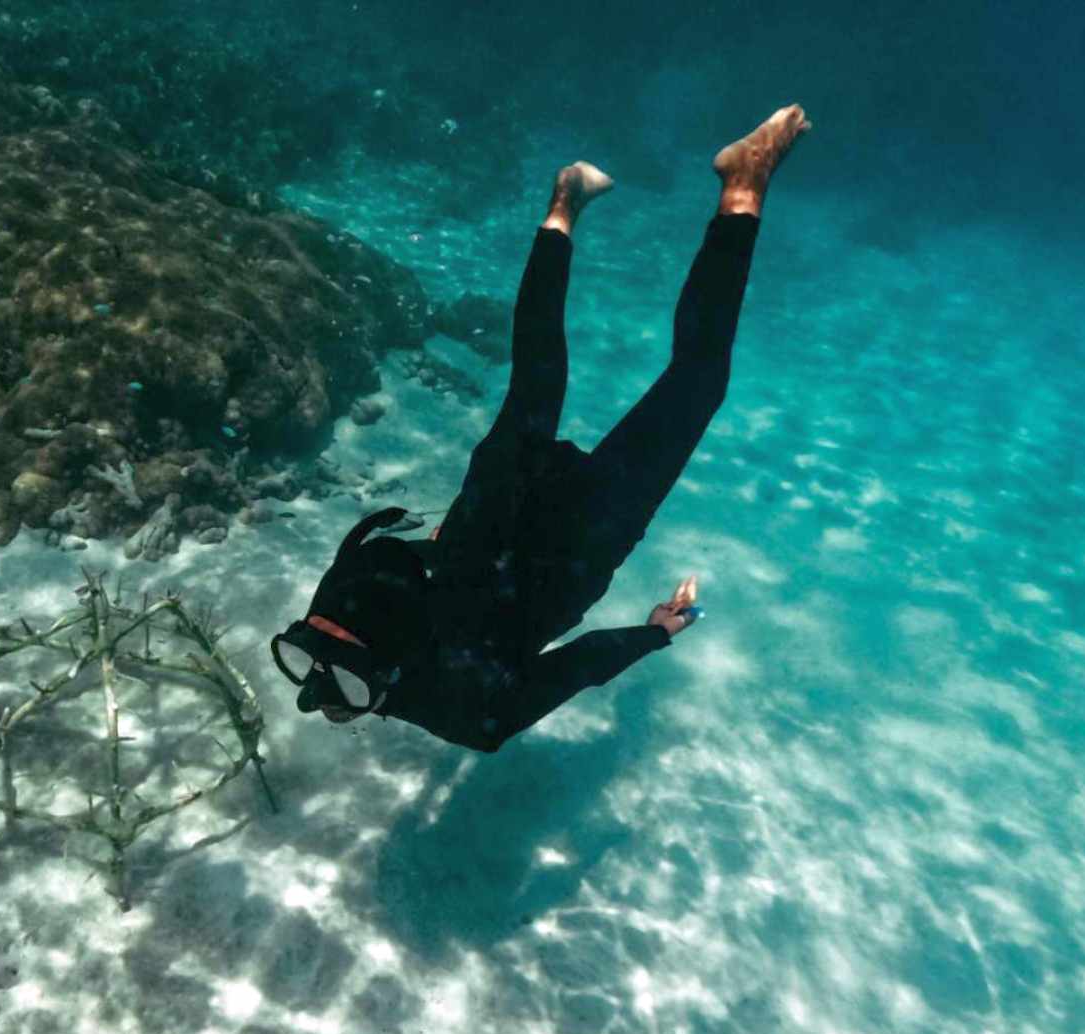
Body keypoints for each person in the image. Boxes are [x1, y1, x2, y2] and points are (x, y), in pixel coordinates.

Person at [271, 104, 811, 752]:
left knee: (550, 374)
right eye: (333, 657)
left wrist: (440, 549)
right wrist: (655, 631)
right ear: (386, 667)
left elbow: (393, 556)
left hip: (504, 525)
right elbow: (577, 667)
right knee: (678, 386)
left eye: (305, 645)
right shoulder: (471, 715)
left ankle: (566, 206)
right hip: (569, 548)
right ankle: (736, 186)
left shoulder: (342, 612)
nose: (321, 636)